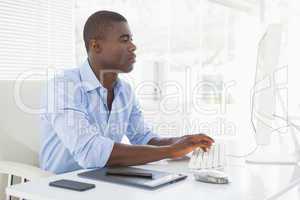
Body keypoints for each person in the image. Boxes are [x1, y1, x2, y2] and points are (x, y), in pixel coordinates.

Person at [39, 10, 214, 174]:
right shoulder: (64, 86)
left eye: (131, 39)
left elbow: (143, 138)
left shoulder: (125, 91)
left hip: (104, 182)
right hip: (59, 186)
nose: (133, 46)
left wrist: (183, 142)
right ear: (96, 45)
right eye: (124, 40)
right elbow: (90, 152)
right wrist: (169, 151)